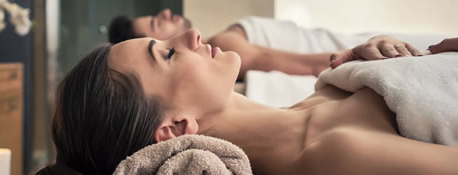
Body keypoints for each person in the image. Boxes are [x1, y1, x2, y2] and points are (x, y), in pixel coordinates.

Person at [38, 29, 458, 175]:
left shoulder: (316, 105)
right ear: (175, 127)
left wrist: (397, 62)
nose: (192, 36)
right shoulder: (333, 153)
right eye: (167, 54)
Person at [109, 8, 445, 79]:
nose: (167, 13)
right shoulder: (227, 47)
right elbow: (315, 64)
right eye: (156, 23)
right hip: (381, 54)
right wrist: (378, 54)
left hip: (370, 45)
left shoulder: (223, 41)